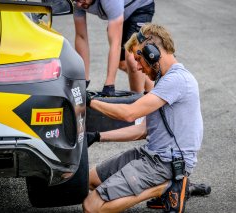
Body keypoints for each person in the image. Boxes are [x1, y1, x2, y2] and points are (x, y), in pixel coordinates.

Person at [83, 23, 204, 213]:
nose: (137, 67)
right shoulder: (163, 82)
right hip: (151, 154)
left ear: (153, 53)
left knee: (91, 206)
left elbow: (129, 113)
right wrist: (97, 136)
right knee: (90, 180)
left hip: (166, 163)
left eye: (139, 58)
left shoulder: (177, 80)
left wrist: (89, 102)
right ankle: (165, 188)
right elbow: (141, 130)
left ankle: (165, 188)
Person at [72, 0, 155, 96]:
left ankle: (138, 103)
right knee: (123, 64)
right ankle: (153, 89)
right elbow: (81, 37)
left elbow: (115, 43)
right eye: (76, 0)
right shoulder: (77, 2)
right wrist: (83, 79)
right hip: (120, 11)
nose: (78, 4)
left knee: (132, 60)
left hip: (139, 8)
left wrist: (109, 85)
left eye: (81, 0)